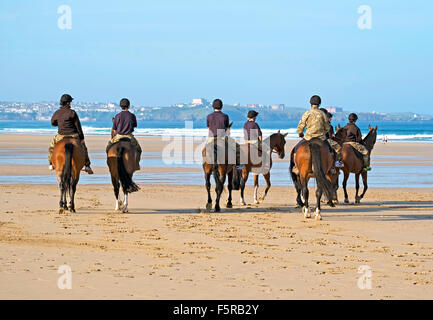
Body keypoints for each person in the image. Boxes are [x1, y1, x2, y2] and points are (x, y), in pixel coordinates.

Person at [293, 95, 340, 174]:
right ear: (319, 104)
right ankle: (332, 167)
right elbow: (327, 127)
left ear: (310, 103)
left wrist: (300, 133)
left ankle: (296, 167)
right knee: (331, 150)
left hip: (308, 137)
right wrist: (323, 131)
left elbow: (301, 125)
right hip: (321, 138)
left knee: (296, 149)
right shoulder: (323, 114)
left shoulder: (307, 113)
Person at [48, 94, 93, 174]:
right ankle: (87, 165)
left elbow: (52, 122)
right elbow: (78, 126)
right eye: (70, 102)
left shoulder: (57, 113)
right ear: (68, 103)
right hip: (73, 135)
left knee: (51, 147)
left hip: (60, 135)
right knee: (83, 148)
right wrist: (81, 138)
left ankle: (51, 163)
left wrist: (58, 123)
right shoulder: (72, 113)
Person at [106, 98, 142, 170]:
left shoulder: (117, 116)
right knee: (139, 149)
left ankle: (110, 163)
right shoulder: (132, 116)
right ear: (128, 106)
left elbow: (114, 129)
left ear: (120, 106)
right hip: (129, 136)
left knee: (108, 147)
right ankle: (136, 164)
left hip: (118, 136)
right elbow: (134, 126)